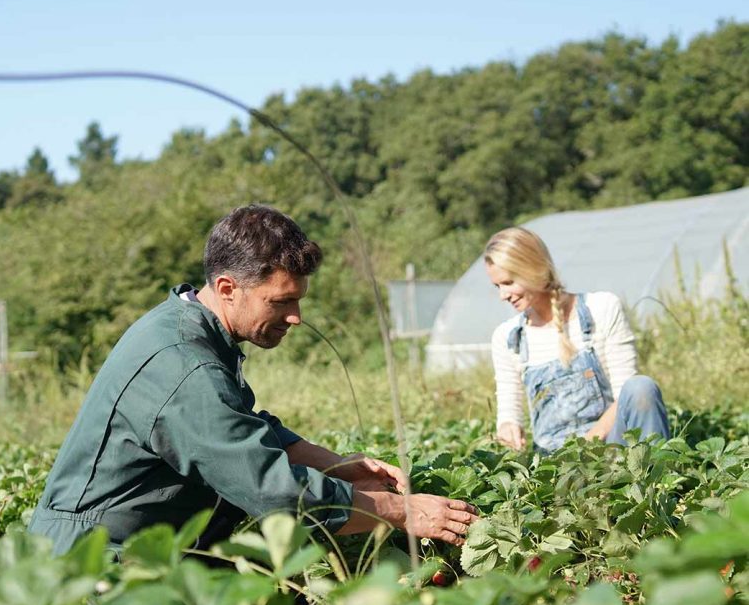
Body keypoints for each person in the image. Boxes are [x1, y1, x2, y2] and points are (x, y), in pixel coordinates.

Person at [29, 205, 478, 555]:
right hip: (94, 566)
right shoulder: (184, 364)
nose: (296, 317)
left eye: (298, 301)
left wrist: (337, 465)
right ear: (227, 289)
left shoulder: (195, 331)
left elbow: (245, 427)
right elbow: (274, 493)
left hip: (136, 552)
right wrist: (404, 512)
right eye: (280, 301)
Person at [484, 226, 670, 454]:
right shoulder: (508, 337)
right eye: (497, 286)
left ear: (533, 269)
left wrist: (587, 445)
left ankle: (655, 483)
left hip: (612, 449)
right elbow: (509, 407)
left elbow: (626, 393)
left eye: (509, 282)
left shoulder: (601, 308)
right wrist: (508, 427)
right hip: (557, 467)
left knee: (642, 388)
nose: (503, 295)